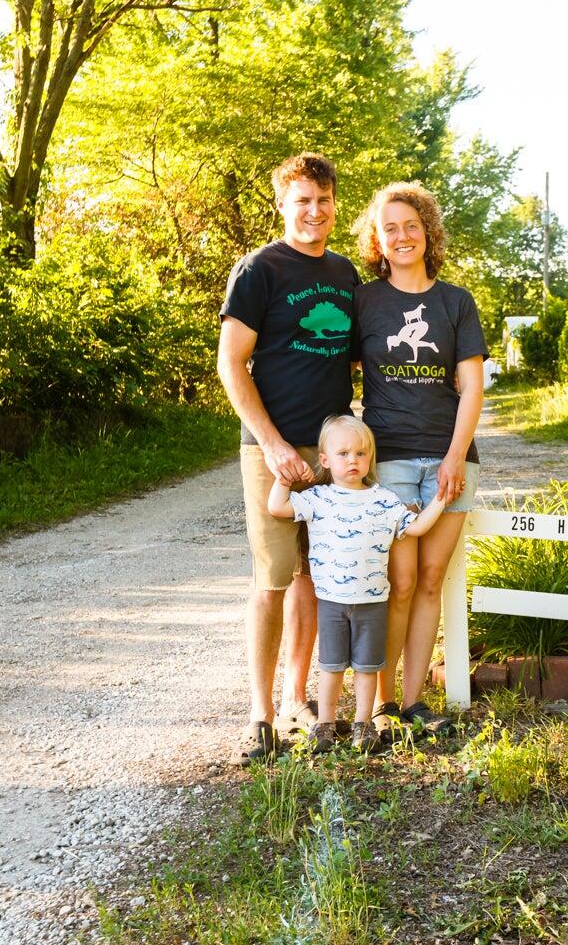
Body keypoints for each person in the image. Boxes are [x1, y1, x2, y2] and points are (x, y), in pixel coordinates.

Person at [217, 152, 358, 762]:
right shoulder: (259, 269)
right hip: (269, 448)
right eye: (302, 200)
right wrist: (272, 446)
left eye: (323, 200)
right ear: (283, 204)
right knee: (275, 576)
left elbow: (354, 356)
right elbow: (231, 363)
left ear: (333, 206)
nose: (314, 211)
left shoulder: (346, 272)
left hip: (328, 450)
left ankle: (298, 701)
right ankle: (261, 714)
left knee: (317, 576)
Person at [351, 182, 486, 736]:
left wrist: (455, 456)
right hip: (392, 460)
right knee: (397, 582)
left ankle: (413, 704)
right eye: (390, 228)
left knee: (431, 579)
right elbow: (337, 376)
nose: (402, 236)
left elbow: (472, 388)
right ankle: (382, 705)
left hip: (451, 458)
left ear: (427, 231)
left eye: (411, 225)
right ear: (377, 240)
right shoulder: (364, 301)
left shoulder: (456, 302)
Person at [268, 415, 447, 753]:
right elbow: (277, 507)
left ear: (371, 459)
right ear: (325, 460)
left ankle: (363, 725)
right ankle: (325, 725)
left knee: (367, 667)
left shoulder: (385, 501)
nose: (353, 460)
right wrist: (284, 477)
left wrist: (439, 500)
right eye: (344, 453)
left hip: (373, 601)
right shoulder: (318, 498)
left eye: (361, 454)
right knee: (331, 666)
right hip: (332, 601)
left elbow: (418, 527)